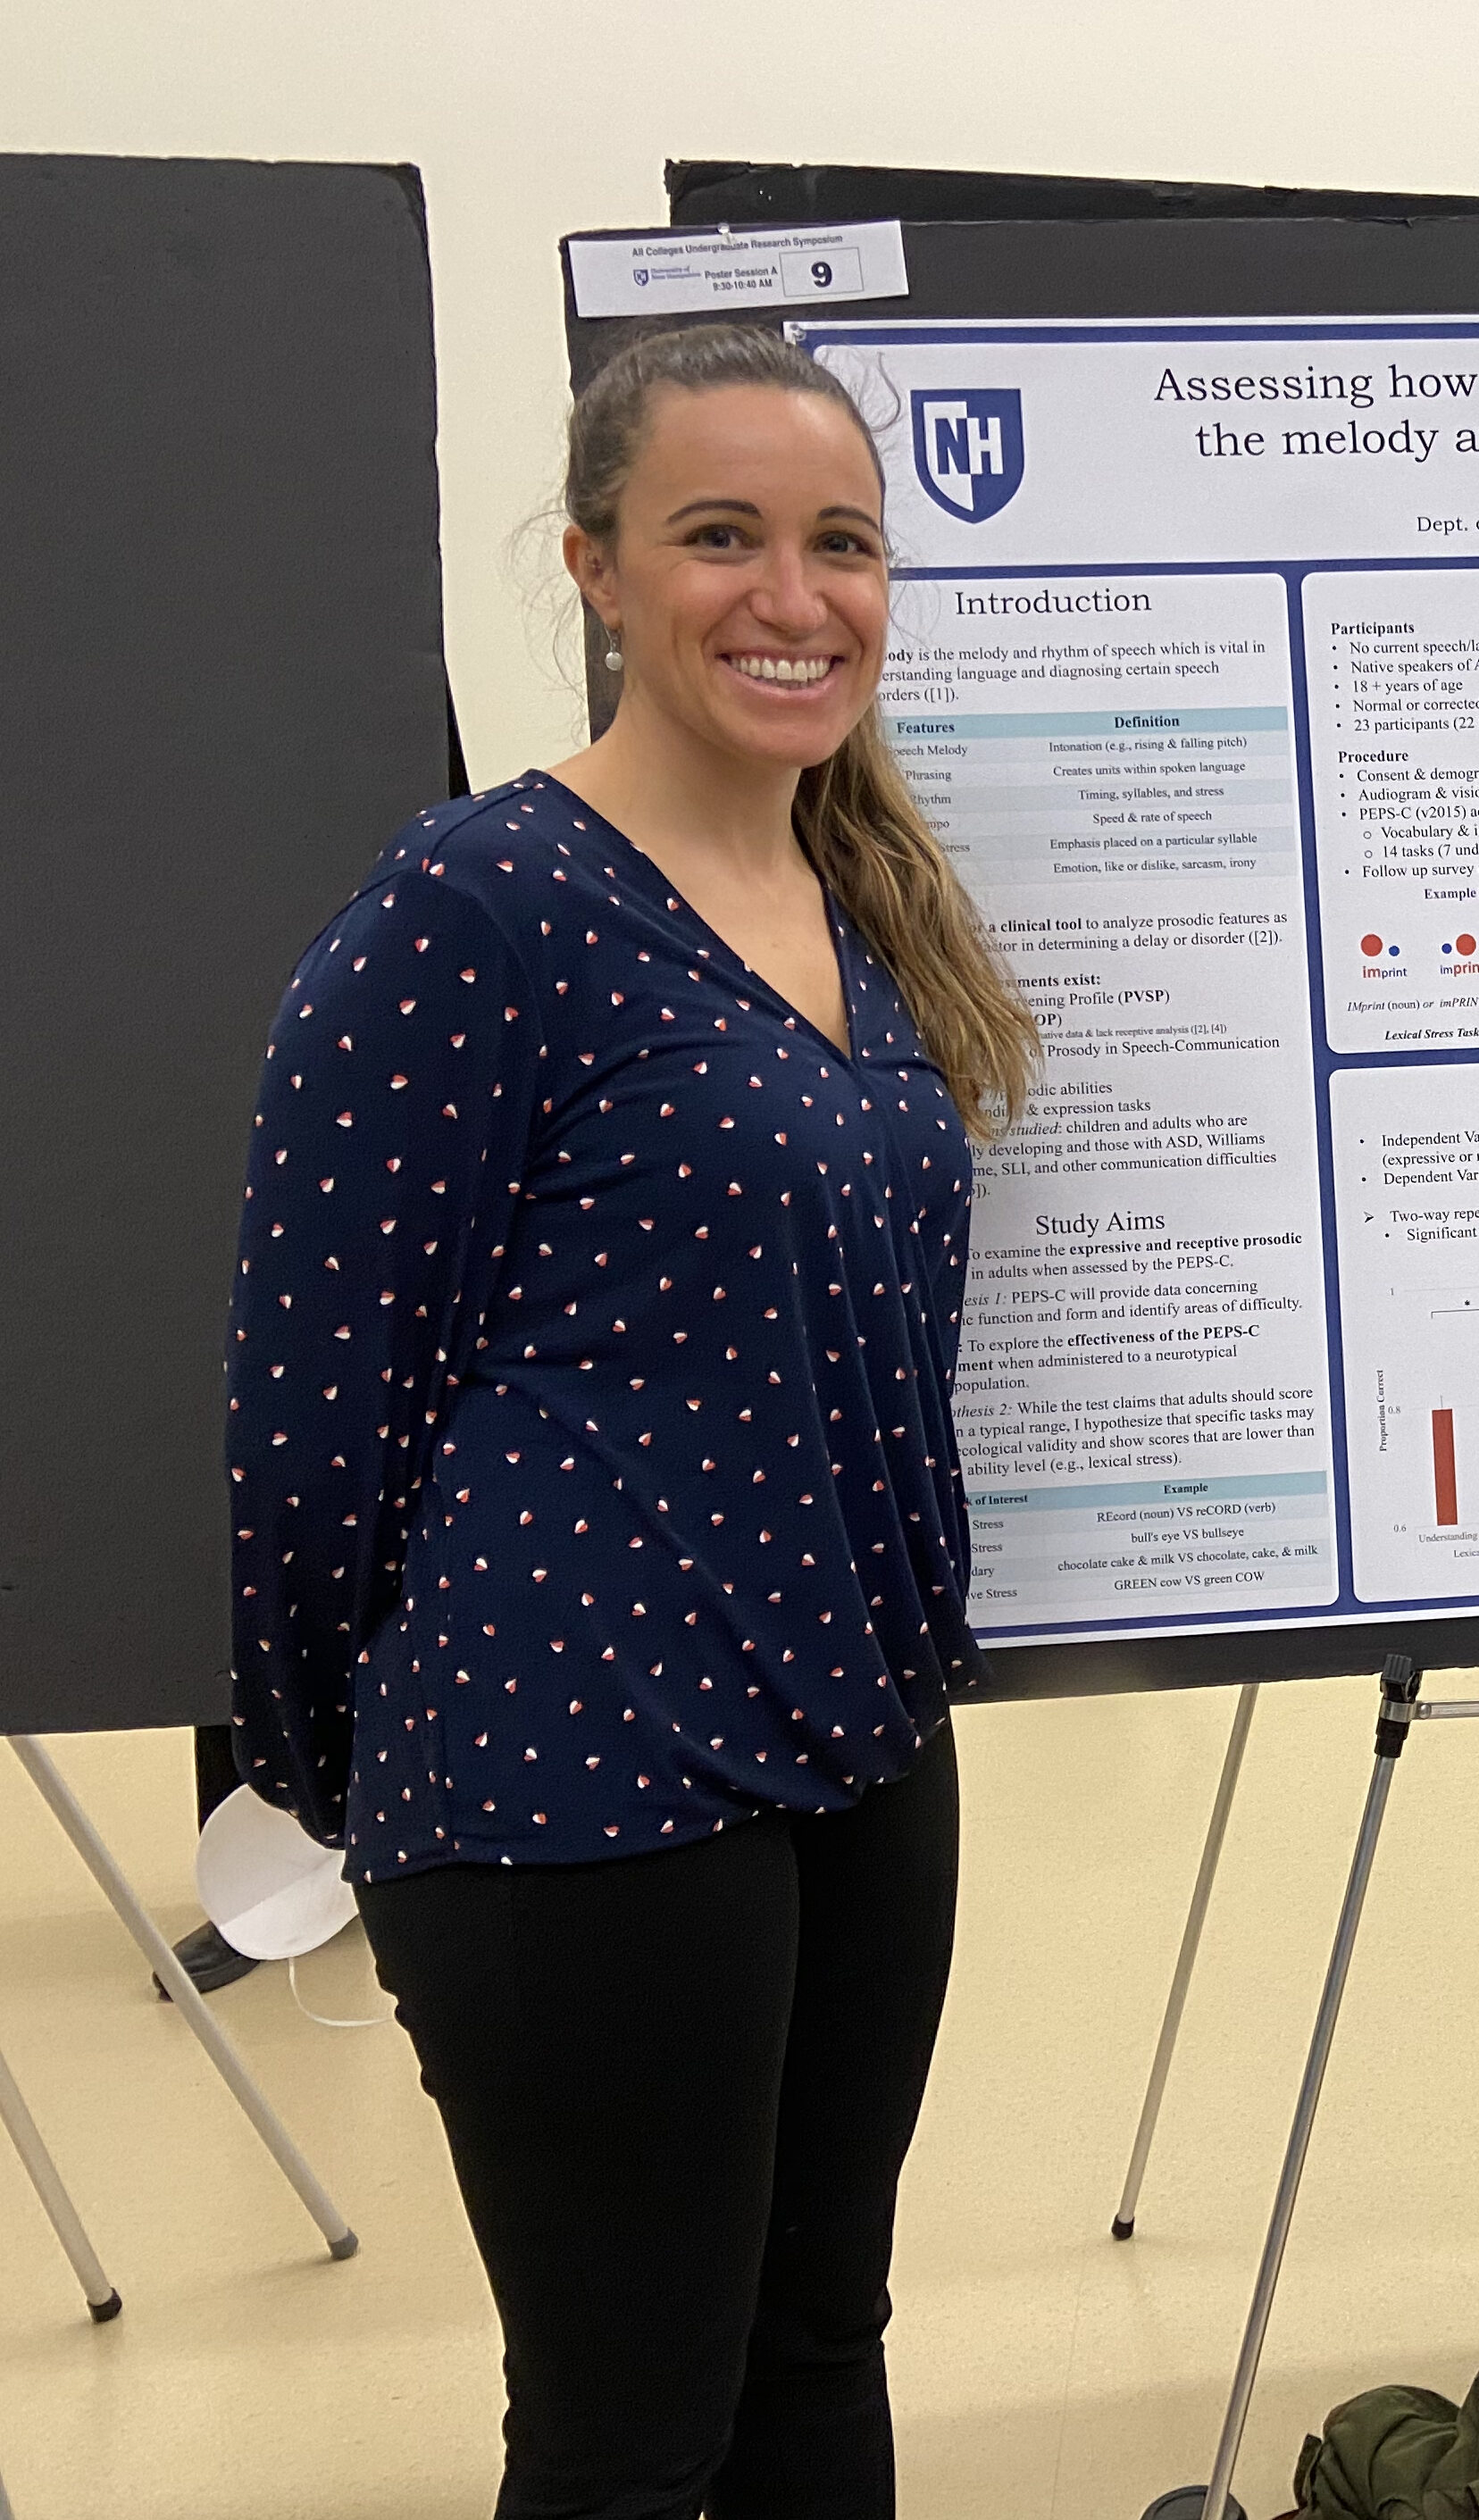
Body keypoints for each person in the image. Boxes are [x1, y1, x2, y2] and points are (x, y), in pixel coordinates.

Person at [228, 322, 1036, 2518]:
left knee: (815, 2350)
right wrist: (360, 1779)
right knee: (627, 2430)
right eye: (720, 537)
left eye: (840, 542)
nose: (794, 595)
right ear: (593, 569)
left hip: (856, 1754)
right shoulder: (475, 911)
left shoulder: (860, 901)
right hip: (577, 1788)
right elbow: (312, 1411)